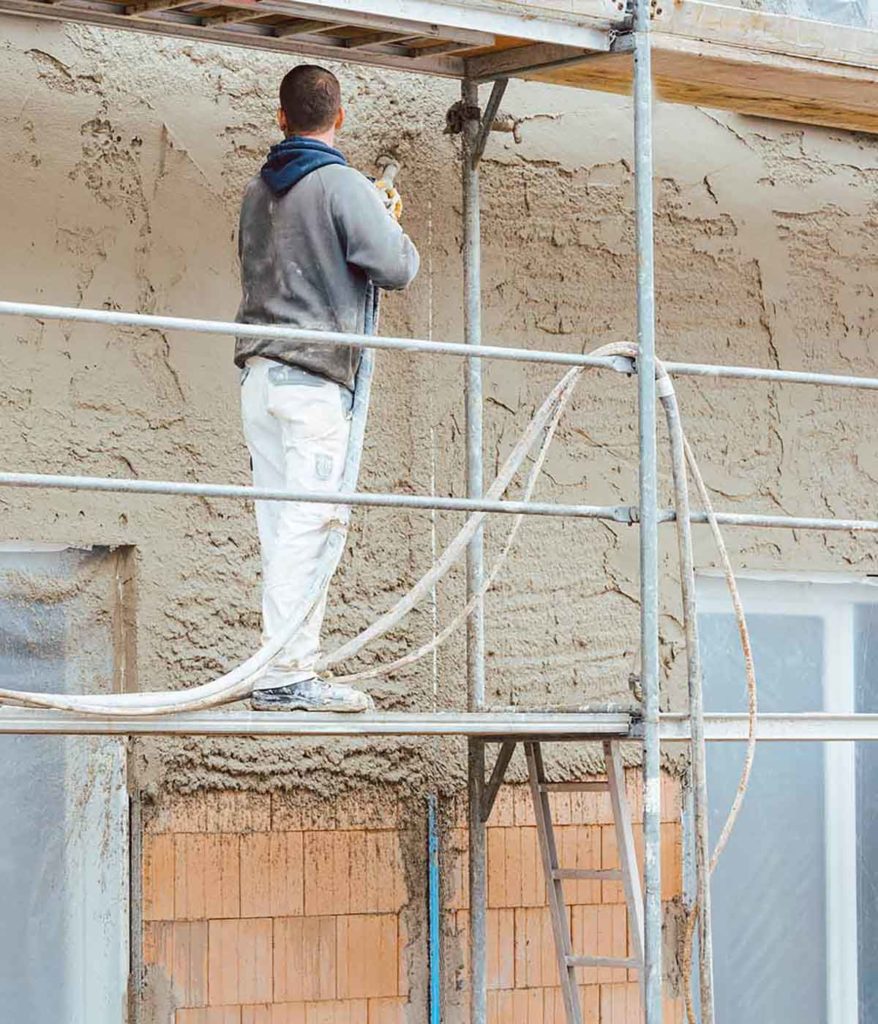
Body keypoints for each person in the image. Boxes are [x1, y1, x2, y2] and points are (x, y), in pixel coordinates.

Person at [235, 65, 420, 712]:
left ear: (281, 117)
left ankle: (282, 668)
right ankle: (286, 675)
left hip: (260, 378)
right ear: (339, 118)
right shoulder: (341, 185)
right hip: (311, 384)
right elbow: (396, 267)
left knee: (281, 528)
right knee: (311, 526)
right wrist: (384, 218)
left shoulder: (257, 192)